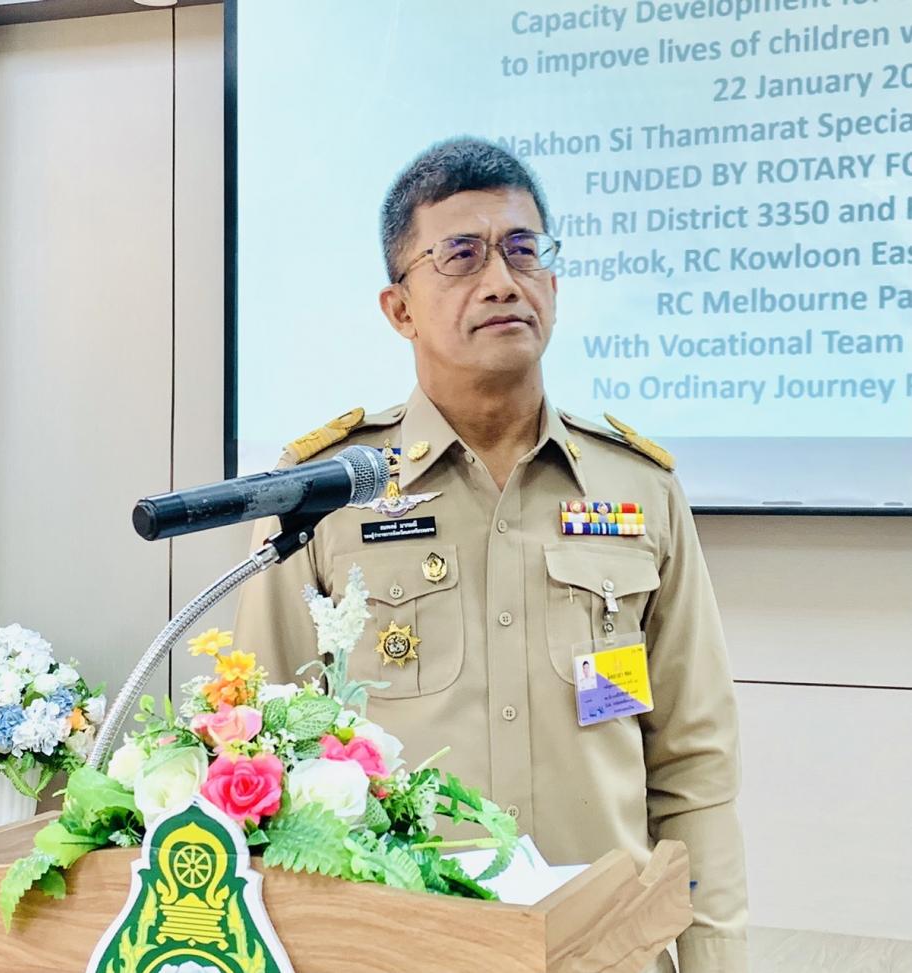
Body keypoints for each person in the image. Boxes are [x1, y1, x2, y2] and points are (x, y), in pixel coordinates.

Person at [234, 137, 748, 973]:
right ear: (399, 308)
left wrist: (715, 960)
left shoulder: (640, 487)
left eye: (523, 249)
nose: (503, 280)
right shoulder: (324, 497)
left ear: (554, 285)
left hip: (604, 955)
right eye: (462, 255)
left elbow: (694, 763)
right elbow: (263, 761)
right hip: (399, 955)